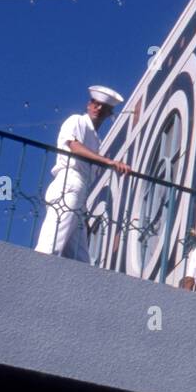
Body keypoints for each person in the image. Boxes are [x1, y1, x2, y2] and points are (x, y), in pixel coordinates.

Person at [34, 85, 131, 261]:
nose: (98, 108)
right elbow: (74, 146)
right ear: (89, 104)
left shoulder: (95, 139)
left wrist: (82, 210)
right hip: (69, 181)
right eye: (95, 103)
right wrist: (108, 161)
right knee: (51, 245)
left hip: (79, 193)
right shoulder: (77, 121)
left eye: (104, 107)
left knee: (80, 259)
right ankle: (33, 278)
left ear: (109, 114)